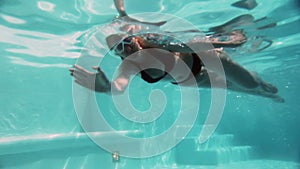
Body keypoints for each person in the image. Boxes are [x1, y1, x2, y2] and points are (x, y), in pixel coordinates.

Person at [69, 0, 283, 102]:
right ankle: (264, 95)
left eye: (127, 40)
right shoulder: (130, 65)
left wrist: (228, 42)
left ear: (135, 37)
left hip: (212, 60)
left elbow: (194, 45)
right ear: (119, 55)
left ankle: (262, 88)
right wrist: (104, 86)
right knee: (237, 89)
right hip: (196, 80)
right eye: (120, 48)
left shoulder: (155, 41)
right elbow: (118, 87)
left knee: (253, 84)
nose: (128, 47)